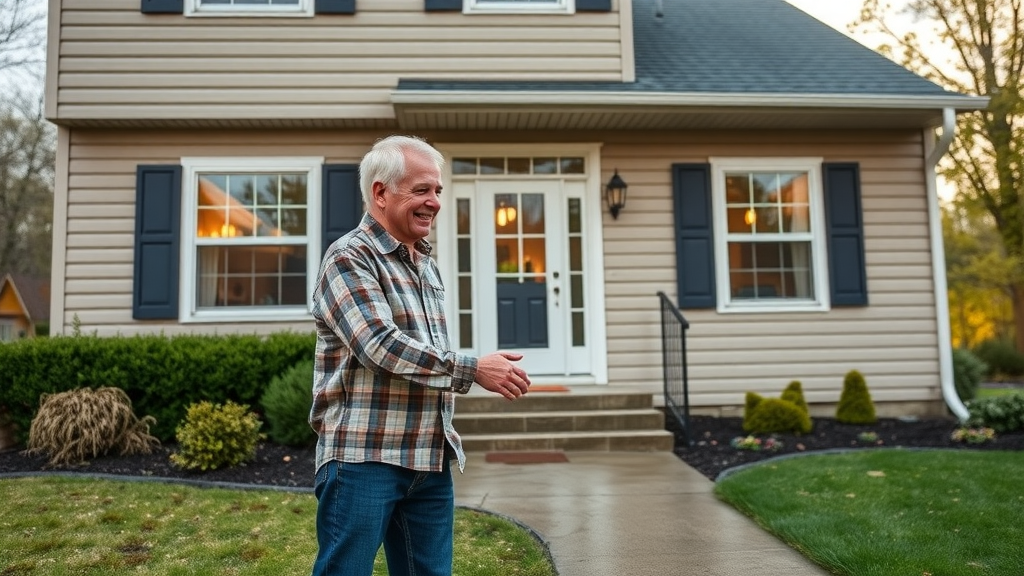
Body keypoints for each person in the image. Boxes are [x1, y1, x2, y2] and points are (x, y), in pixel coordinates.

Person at [309, 135, 532, 576]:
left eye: (438, 190)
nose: (434, 202)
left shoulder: (424, 262)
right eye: (421, 190)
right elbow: (379, 345)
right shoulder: (349, 257)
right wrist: (473, 368)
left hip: (428, 458)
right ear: (380, 192)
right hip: (363, 458)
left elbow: (422, 349)